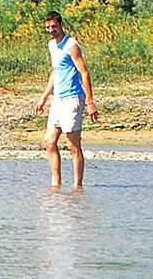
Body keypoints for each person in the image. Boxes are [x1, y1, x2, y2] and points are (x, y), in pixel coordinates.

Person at [34, 11, 98, 188]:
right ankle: (56, 184)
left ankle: (77, 186)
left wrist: (90, 102)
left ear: (60, 25)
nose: (50, 30)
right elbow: (55, 71)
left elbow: (84, 73)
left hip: (72, 98)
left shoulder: (72, 45)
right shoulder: (51, 45)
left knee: (73, 145)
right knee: (49, 141)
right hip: (58, 100)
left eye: (53, 26)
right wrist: (44, 97)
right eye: (47, 27)